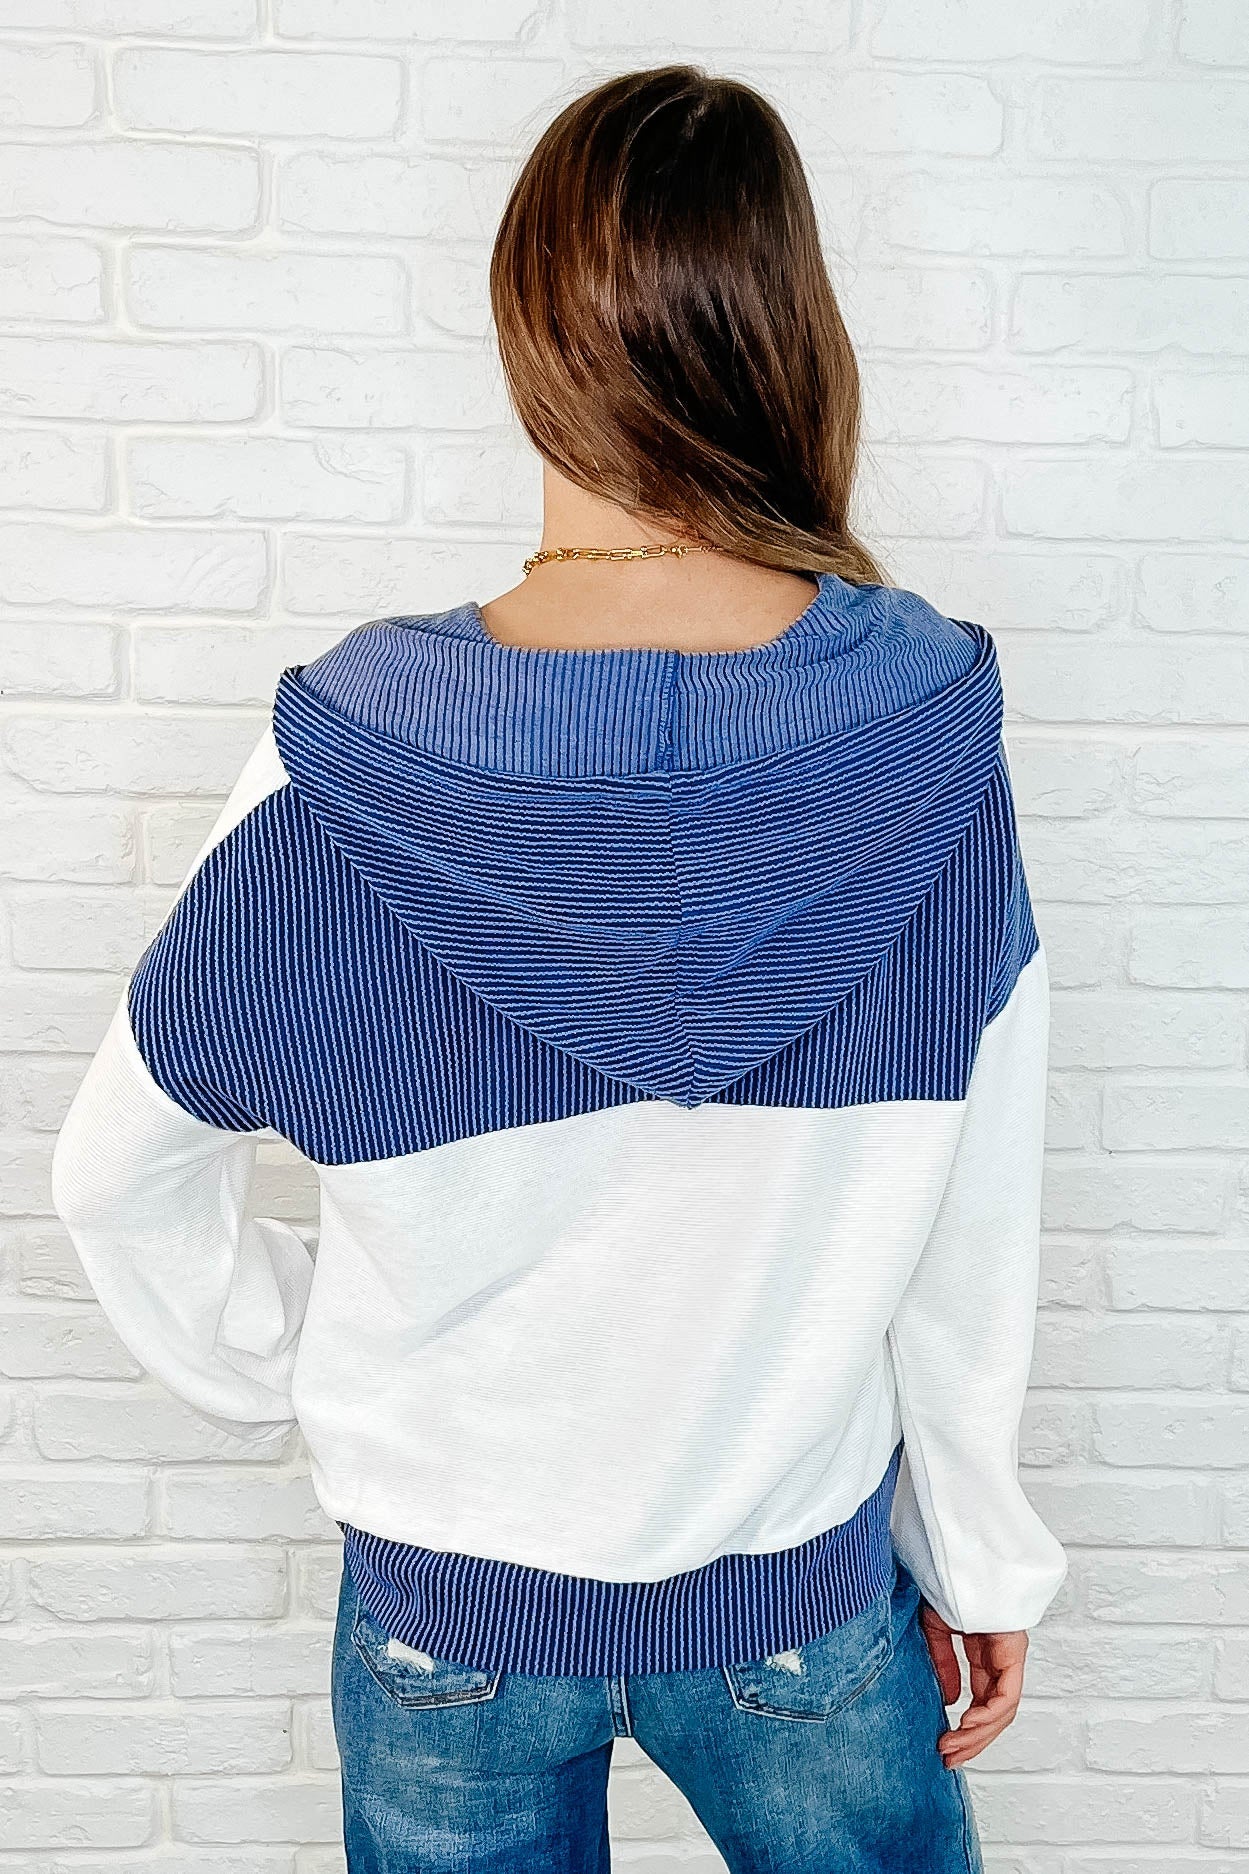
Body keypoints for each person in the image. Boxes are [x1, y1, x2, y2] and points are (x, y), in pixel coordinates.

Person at [51, 63, 1067, 1874]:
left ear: (531, 335)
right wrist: (978, 1552)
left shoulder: (341, 760)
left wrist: (291, 1354)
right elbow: (969, 1225)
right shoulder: (926, 741)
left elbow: (113, 1174)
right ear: (791, 335)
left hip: (445, 1608)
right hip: (800, 1599)